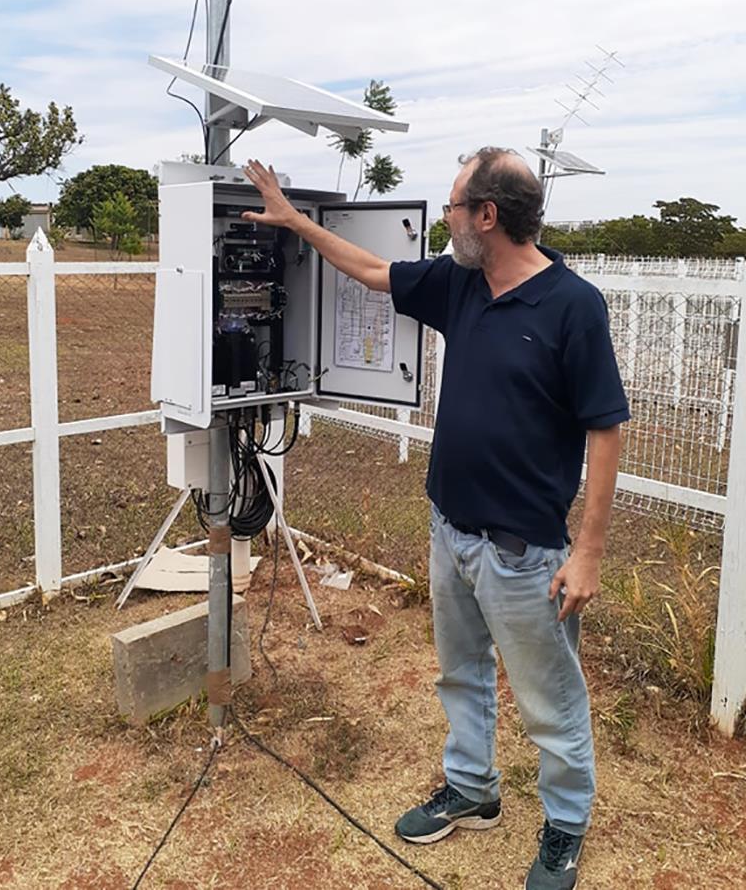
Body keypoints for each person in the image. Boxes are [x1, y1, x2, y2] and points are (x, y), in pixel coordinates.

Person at [242, 148, 629, 890]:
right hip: (450, 530)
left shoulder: (573, 306)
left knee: (550, 700)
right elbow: (372, 270)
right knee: (461, 676)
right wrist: (294, 222)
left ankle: (566, 826)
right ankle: (474, 789)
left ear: (487, 215)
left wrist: (590, 553)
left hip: (525, 552)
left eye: (452, 207)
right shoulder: (461, 283)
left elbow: (605, 428)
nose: (445, 220)